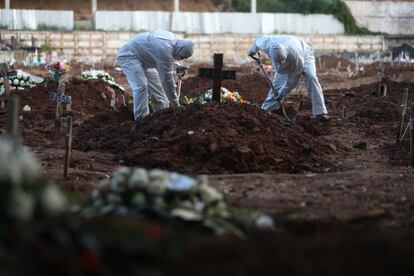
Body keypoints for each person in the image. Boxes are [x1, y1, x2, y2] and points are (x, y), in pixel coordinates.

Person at [248, 35, 329, 120]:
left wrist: (282, 94)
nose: (280, 63)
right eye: (278, 62)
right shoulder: (267, 43)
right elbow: (258, 41)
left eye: (281, 61)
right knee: (276, 88)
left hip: (305, 55)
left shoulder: (296, 58)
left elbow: (292, 81)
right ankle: (264, 112)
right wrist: (251, 51)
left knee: (311, 78)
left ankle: (320, 113)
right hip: (287, 57)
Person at [117, 30, 195, 119]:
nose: (181, 59)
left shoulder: (172, 41)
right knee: (141, 86)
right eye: (182, 57)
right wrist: (175, 103)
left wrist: (177, 66)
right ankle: (141, 120)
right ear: (180, 49)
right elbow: (166, 79)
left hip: (145, 59)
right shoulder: (164, 48)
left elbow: (168, 58)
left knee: (158, 92)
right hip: (129, 55)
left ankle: (162, 118)